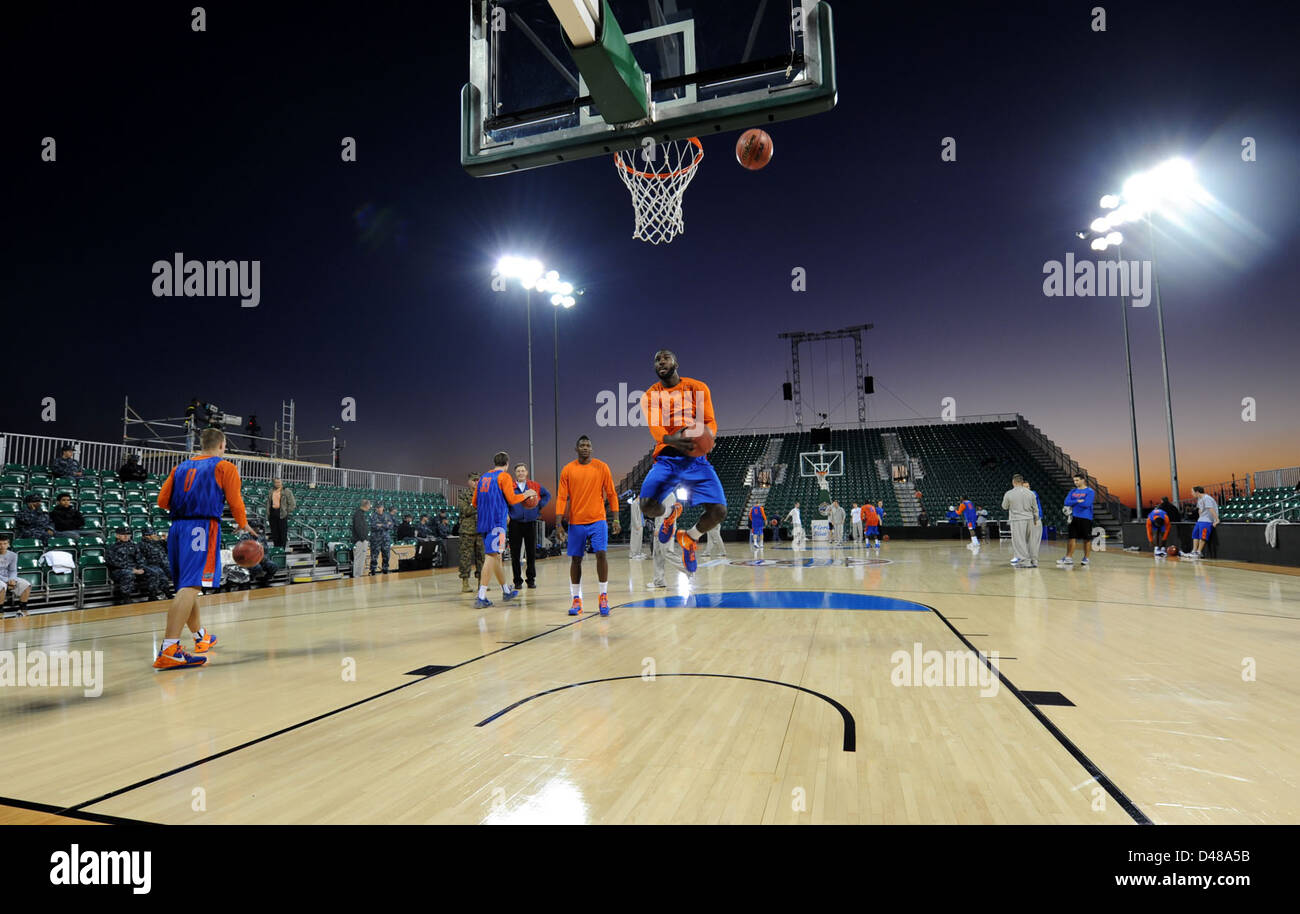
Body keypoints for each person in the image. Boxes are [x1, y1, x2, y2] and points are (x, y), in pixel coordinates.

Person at [154, 427, 255, 668]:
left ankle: (201, 637)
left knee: (187, 585)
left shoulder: (180, 467)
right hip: (202, 527)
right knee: (190, 586)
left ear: (201, 444)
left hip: (177, 528)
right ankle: (169, 649)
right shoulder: (224, 467)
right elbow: (235, 501)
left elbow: (162, 501)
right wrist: (242, 524)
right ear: (222, 445)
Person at [637, 350, 727, 576]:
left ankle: (690, 537)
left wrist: (709, 437)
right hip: (668, 457)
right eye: (657, 360)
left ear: (676, 362)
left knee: (719, 511)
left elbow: (709, 421)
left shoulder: (698, 387)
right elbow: (656, 430)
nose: (661, 362)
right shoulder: (650, 395)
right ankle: (670, 512)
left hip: (696, 458)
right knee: (646, 505)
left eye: (665, 358)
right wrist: (673, 439)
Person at [556, 436, 621, 615]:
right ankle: (576, 599)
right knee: (576, 559)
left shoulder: (602, 467)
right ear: (576, 449)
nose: (585, 448)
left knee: (601, 553)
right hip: (576, 522)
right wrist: (558, 522)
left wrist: (615, 518)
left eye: (588, 446)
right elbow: (562, 497)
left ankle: (603, 596)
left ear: (591, 449)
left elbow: (611, 493)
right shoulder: (568, 469)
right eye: (582, 446)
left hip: (598, 519)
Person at [470, 452, 532, 608]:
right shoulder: (504, 477)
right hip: (497, 522)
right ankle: (481, 596)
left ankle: (506, 590)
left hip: (483, 521)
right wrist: (526, 495)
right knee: (491, 556)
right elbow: (512, 499)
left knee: (497, 556)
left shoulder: (484, 477)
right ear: (507, 464)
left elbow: (475, 502)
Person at [507, 462, 551, 590]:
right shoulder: (510, 486)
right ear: (515, 474)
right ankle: (517, 581)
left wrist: (538, 505)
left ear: (526, 473)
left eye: (523, 471)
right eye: (518, 471)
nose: (521, 473)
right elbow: (504, 500)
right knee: (515, 553)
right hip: (515, 523)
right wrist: (507, 514)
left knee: (531, 553)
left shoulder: (534, 486)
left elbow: (547, 495)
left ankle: (531, 579)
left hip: (530, 522)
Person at [1003, 474, 1040, 567]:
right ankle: (1034, 561)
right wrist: (1036, 519)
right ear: (1022, 482)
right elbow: (1036, 508)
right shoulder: (1031, 493)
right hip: (1030, 519)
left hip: (1017, 520)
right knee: (1032, 541)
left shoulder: (1009, 493)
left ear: (1013, 482)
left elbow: (1004, 506)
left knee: (1019, 541)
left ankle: (1025, 562)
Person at [1058, 473, 1096, 567]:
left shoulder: (1090, 491)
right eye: (1074, 480)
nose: (1075, 482)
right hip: (1073, 517)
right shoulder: (1072, 491)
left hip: (1086, 517)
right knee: (1071, 538)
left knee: (1086, 539)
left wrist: (1073, 502)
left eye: (1077, 480)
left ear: (1083, 480)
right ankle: (1068, 557)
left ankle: (1086, 558)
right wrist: (1078, 501)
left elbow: (1086, 504)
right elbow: (1066, 502)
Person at [457, 472, 484, 593]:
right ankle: (465, 583)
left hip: (482, 530)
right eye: (474, 480)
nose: (476, 483)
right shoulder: (463, 495)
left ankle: (482, 582)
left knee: (482, 558)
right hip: (467, 531)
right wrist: (477, 504)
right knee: (465, 558)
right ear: (469, 482)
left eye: (478, 480)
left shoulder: (484, 494)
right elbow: (465, 510)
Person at [0, 536, 32, 616]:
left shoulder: (13, 555)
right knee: (2, 585)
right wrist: (7, 581)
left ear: (8, 544)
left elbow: (13, 570)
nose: (2, 546)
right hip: (2, 579)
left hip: (8, 577)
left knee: (26, 584)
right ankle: (0, 610)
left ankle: (23, 608)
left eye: (5, 543)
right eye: (0, 544)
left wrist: (12, 579)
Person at [1187, 485, 1219, 559]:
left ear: (1197, 492)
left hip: (1207, 521)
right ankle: (1194, 551)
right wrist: (1200, 514)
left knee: (1203, 536)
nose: (1191, 493)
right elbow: (1200, 509)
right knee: (1195, 534)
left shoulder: (1207, 498)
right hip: (1201, 520)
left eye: (1192, 492)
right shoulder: (1200, 499)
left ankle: (1199, 552)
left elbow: (1211, 509)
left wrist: (1216, 520)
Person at [138, 527, 173, 594]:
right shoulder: (142, 545)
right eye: (154, 534)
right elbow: (142, 559)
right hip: (152, 565)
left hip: (164, 564)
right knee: (159, 573)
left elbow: (171, 547)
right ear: (147, 536)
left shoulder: (159, 543)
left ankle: (179, 592)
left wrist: (166, 540)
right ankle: (154, 594)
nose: (156, 536)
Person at [265, 478, 296, 548]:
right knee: (274, 533)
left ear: (281, 483)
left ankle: (282, 549)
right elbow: (269, 502)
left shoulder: (287, 491)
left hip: (282, 513)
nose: (278, 484)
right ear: (274, 483)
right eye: (276, 482)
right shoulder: (271, 491)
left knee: (282, 533)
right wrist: (268, 512)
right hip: (273, 513)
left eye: (279, 482)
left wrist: (286, 511)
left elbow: (292, 504)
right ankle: (276, 548)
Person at [368, 503, 394, 574]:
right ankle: (373, 570)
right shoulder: (373, 516)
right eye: (378, 507)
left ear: (383, 508)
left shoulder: (387, 515)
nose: (380, 509)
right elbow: (373, 526)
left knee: (386, 555)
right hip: (376, 539)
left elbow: (391, 526)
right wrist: (385, 525)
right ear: (376, 509)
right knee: (374, 555)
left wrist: (381, 525)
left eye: (381, 507)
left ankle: (385, 569)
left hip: (386, 539)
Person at [351, 498, 371, 577]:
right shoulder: (358, 514)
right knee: (359, 558)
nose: (370, 507)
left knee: (361, 559)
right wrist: (363, 538)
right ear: (366, 505)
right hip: (360, 540)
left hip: (362, 540)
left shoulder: (361, 513)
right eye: (369, 505)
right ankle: (356, 575)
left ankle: (359, 575)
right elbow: (358, 527)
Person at [627, 492, 646, 559]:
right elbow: (634, 515)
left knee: (639, 540)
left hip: (641, 524)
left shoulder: (640, 504)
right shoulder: (634, 503)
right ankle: (632, 553)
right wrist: (636, 525)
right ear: (639, 495)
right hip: (636, 525)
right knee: (634, 540)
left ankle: (638, 552)